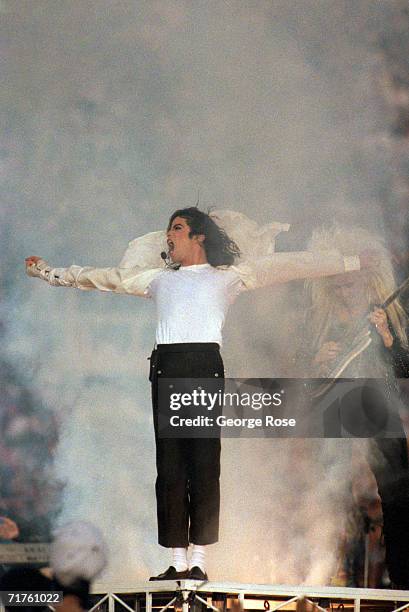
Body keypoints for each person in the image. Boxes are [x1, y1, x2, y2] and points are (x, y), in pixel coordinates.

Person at [25, 208, 377, 581]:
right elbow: (100, 278)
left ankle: (200, 563)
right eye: (168, 230)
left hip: (204, 367)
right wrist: (48, 272)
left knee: (204, 465)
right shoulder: (156, 279)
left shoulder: (227, 278)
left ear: (199, 237)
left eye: (177, 228)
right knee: (171, 468)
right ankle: (177, 562)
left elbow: (289, 265)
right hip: (166, 368)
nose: (169, 236)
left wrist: (350, 261)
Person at [300, 224, 409, 589]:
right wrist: (316, 360)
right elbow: (304, 376)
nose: (344, 291)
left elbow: (404, 367)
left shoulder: (387, 314)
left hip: (379, 399)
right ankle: (334, 570)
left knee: (397, 490)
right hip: (338, 403)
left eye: (350, 283)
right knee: (335, 487)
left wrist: (389, 339)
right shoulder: (320, 321)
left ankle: (403, 573)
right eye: (338, 284)